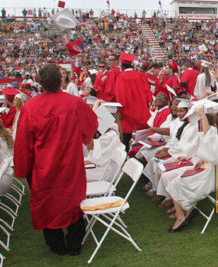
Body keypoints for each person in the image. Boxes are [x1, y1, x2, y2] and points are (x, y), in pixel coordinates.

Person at [14, 63, 98, 256]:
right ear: (61, 79)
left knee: (48, 204)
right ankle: (74, 245)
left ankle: (56, 246)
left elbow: (23, 143)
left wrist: (24, 168)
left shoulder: (30, 108)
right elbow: (90, 126)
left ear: (40, 83)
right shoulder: (74, 103)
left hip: (44, 166)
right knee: (72, 202)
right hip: (70, 164)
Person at [165, 108, 218, 232]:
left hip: (216, 179)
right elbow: (215, 153)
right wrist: (202, 159)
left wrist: (202, 115)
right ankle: (188, 209)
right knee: (177, 179)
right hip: (213, 174)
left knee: (175, 183)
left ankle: (181, 217)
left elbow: (209, 137)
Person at [115, 53, 153, 150]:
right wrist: (148, 104)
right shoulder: (140, 75)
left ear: (122, 65)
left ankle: (128, 155)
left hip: (127, 111)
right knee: (142, 136)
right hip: (141, 109)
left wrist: (119, 111)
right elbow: (147, 92)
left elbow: (120, 96)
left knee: (127, 137)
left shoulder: (121, 77)